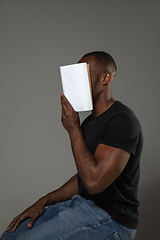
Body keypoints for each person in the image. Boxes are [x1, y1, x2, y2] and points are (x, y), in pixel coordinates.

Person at [0, 51, 143, 240]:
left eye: (84, 73)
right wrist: (43, 201)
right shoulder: (89, 123)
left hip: (111, 219)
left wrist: (74, 130)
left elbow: (93, 183)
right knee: (9, 236)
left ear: (105, 78)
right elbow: (84, 177)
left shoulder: (122, 120)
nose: (77, 81)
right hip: (82, 204)